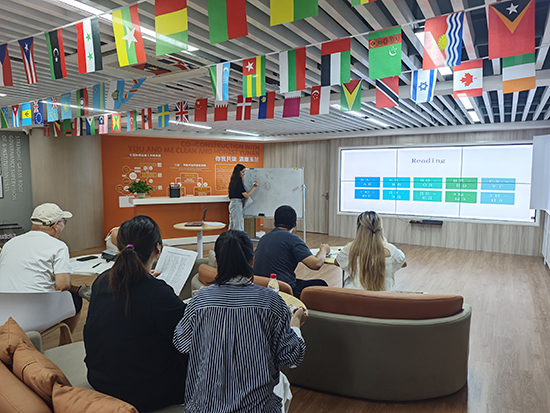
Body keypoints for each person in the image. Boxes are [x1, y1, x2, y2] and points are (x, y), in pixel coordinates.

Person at [173, 230, 307, 413]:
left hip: (204, 407)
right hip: (257, 408)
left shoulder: (200, 300)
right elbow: (292, 357)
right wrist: (295, 323)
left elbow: (181, 343)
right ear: (251, 261)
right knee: (282, 387)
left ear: (217, 263)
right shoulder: (272, 302)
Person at [84, 216, 188, 412]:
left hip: (101, 380)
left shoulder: (102, 281)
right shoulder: (157, 292)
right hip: (143, 393)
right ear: (158, 248)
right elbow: (189, 337)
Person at [0, 203, 86, 332]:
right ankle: (65, 341)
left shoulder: (10, 244)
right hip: (36, 312)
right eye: (64, 222)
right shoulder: (58, 246)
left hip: (4, 312)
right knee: (75, 299)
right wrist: (78, 290)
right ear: (55, 225)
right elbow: (63, 285)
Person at [253, 205, 330, 299]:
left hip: (259, 287)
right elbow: (316, 264)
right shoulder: (293, 239)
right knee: (321, 284)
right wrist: (323, 250)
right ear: (295, 224)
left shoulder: (264, 238)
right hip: (282, 290)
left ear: (274, 222)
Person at [335, 211, 406, 291]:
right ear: (380, 228)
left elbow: (337, 262)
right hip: (381, 297)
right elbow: (403, 263)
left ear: (359, 228)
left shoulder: (350, 248)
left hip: (354, 296)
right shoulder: (391, 250)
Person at [228, 163, 258, 231]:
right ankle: (238, 238)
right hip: (236, 204)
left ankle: (230, 237)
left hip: (233, 204)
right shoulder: (238, 183)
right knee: (238, 226)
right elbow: (246, 195)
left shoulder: (233, 181)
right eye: (242, 172)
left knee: (233, 225)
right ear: (238, 172)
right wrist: (254, 187)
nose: (244, 174)